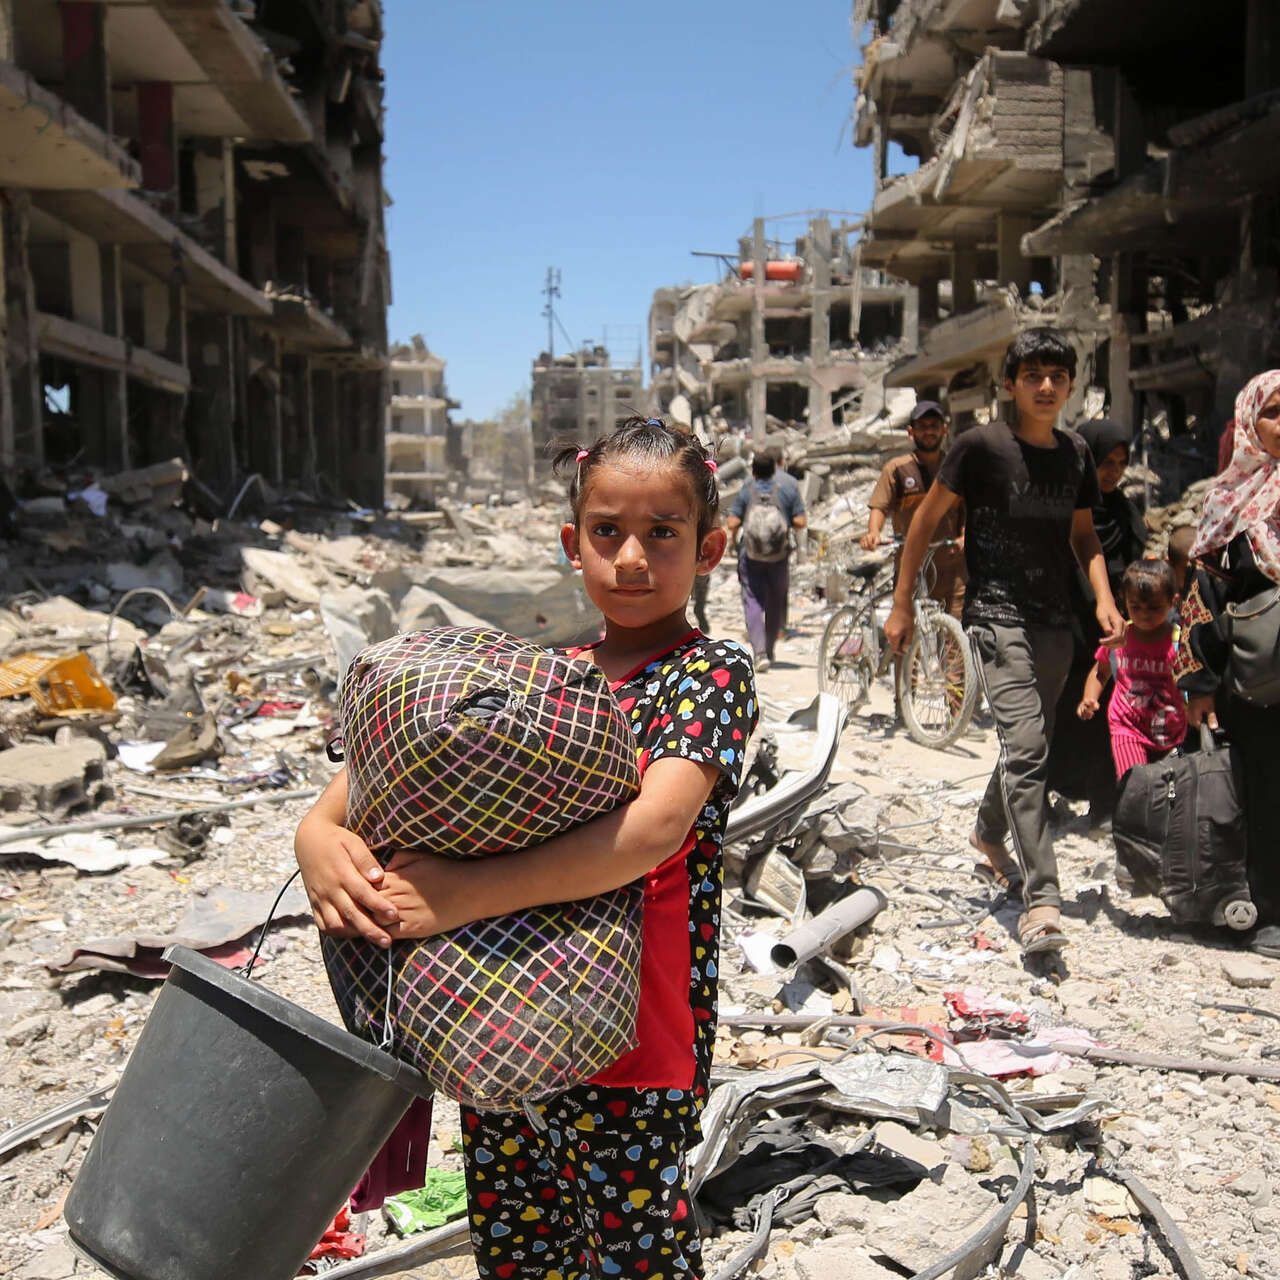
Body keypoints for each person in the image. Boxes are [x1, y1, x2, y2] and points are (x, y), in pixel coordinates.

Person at [295, 416, 759, 1280]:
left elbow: (651, 834)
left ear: (710, 548)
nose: (631, 558)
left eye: (663, 534)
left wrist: (464, 895)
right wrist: (316, 837)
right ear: (570, 545)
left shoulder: (709, 674)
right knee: (517, 1245)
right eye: (607, 532)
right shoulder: (547, 675)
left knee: (636, 1253)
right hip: (489, 1018)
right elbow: (382, 771)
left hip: (631, 1032)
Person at [884, 328, 1125, 957]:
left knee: (1031, 745)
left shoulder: (1074, 453)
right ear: (1012, 384)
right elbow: (925, 524)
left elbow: (1084, 536)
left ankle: (989, 834)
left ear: (1071, 386)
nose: (1046, 387)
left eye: (1058, 377)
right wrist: (903, 601)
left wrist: (1102, 596)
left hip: (1054, 625)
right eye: (1033, 376)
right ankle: (1041, 899)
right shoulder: (980, 447)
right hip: (996, 616)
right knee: (1026, 751)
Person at [1177, 369, 1280, 959]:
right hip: (1255, 686)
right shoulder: (1229, 504)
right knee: (1262, 793)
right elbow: (1202, 601)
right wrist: (1199, 684)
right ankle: (1265, 910)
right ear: (1248, 424)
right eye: (1274, 411)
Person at [1046, 417, 1148, 829]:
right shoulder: (1061, 509)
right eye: (1105, 461)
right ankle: (1041, 797)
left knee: (1109, 716)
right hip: (1065, 631)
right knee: (1058, 714)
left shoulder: (1125, 512)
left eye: (1121, 462)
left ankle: (1103, 804)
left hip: (1110, 636)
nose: (1113, 471)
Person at [1077, 559, 1185, 777]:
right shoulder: (1120, 637)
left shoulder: (1179, 639)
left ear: (1173, 601)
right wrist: (1089, 698)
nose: (1144, 614)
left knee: (1171, 793)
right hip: (1127, 728)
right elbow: (1101, 671)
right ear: (1124, 601)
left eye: (1154, 607)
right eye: (1136, 607)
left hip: (1171, 732)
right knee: (1135, 786)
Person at [861, 400, 966, 619]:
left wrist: (964, 537)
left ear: (944, 430)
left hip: (951, 570)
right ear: (911, 432)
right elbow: (880, 506)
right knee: (909, 639)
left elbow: (967, 511)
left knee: (954, 641)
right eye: (922, 426)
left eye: (934, 425)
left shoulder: (956, 468)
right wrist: (874, 532)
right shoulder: (897, 469)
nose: (929, 431)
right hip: (911, 569)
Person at [725, 449, 806, 671]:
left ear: (753, 471)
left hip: (750, 555)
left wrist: (734, 539)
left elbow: (732, 522)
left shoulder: (746, 489)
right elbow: (801, 521)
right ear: (774, 470)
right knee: (774, 602)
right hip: (778, 557)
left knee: (752, 600)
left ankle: (759, 653)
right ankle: (769, 650)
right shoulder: (788, 488)